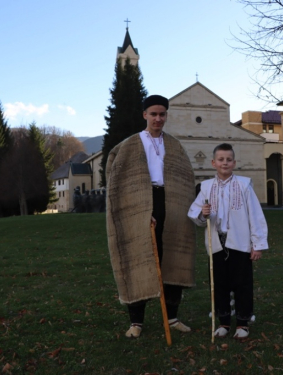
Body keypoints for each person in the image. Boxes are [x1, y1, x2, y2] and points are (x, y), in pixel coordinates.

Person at [106, 95, 196, 339]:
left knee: (173, 259)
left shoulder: (175, 145)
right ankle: (136, 322)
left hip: (172, 203)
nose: (158, 118)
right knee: (139, 259)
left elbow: (186, 177)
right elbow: (117, 179)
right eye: (153, 114)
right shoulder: (130, 145)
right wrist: (141, 212)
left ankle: (173, 317)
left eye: (162, 114)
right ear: (144, 114)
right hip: (140, 203)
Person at [188, 143, 268, 339]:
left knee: (242, 283)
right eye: (221, 160)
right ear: (213, 163)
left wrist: (257, 244)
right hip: (217, 243)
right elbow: (194, 213)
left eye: (229, 159)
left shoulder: (244, 185)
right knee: (219, 284)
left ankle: (242, 322)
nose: (225, 163)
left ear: (234, 162)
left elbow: (255, 215)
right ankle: (223, 321)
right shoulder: (206, 187)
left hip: (239, 242)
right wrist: (202, 213)